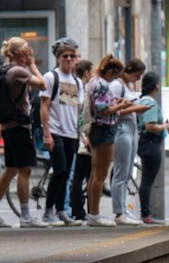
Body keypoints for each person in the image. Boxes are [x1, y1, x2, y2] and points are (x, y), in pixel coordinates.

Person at [0, 36, 43, 228]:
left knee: (11, 169)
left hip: (8, 127)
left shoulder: (4, 69)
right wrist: (33, 64)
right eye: (27, 50)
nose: (29, 53)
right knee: (24, 170)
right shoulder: (18, 71)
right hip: (19, 127)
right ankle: (25, 216)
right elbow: (43, 85)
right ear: (19, 53)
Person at [37, 38, 84, 226]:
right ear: (58, 58)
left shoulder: (77, 82)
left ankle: (61, 211)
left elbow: (78, 109)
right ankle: (49, 211)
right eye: (65, 56)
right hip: (55, 130)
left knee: (65, 175)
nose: (69, 59)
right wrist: (47, 133)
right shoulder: (50, 77)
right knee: (60, 171)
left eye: (72, 56)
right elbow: (44, 106)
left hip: (71, 132)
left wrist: (81, 133)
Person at [82, 56, 131, 225]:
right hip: (104, 129)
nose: (115, 79)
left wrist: (115, 102)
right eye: (115, 76)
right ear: (110, 72)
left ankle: (92, 214)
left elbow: (100, 104)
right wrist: (121, 106)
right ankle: (95, 215)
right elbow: (104, 110)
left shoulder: (93, 82)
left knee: (94, 175)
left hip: (96, 130)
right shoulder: (102, 84)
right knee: (100, 175)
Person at [105, 58, 151, 224]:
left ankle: (123, 209)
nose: (138, 79)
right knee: (121, 172)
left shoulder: (129, 86)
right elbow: (112, 110)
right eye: (137, 75)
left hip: (131, 129)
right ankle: (119, 212)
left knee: (127, 171)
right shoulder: (117, 85)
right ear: (129, 71)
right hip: (121, 129)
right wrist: (136, 108)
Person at [64, 58, 96, 226]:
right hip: (82, 138)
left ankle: (82, 210)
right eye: (92, 72)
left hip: (79, 135)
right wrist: (83, 135)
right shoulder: (81, 89)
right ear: (86, 73)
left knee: (82, 176)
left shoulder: (79, 87)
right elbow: (76, 114)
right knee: (80, 177)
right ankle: (79, 210)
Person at [136, 70, 169, 207]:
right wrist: (164, 126)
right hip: (151, 143)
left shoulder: (143, 100)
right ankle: (146, 212)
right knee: (147, 180)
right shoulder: (149, 103)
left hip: (146, 143)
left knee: (147, 179)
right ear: (156, 86)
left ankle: (146, 211)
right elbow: (150, 126)